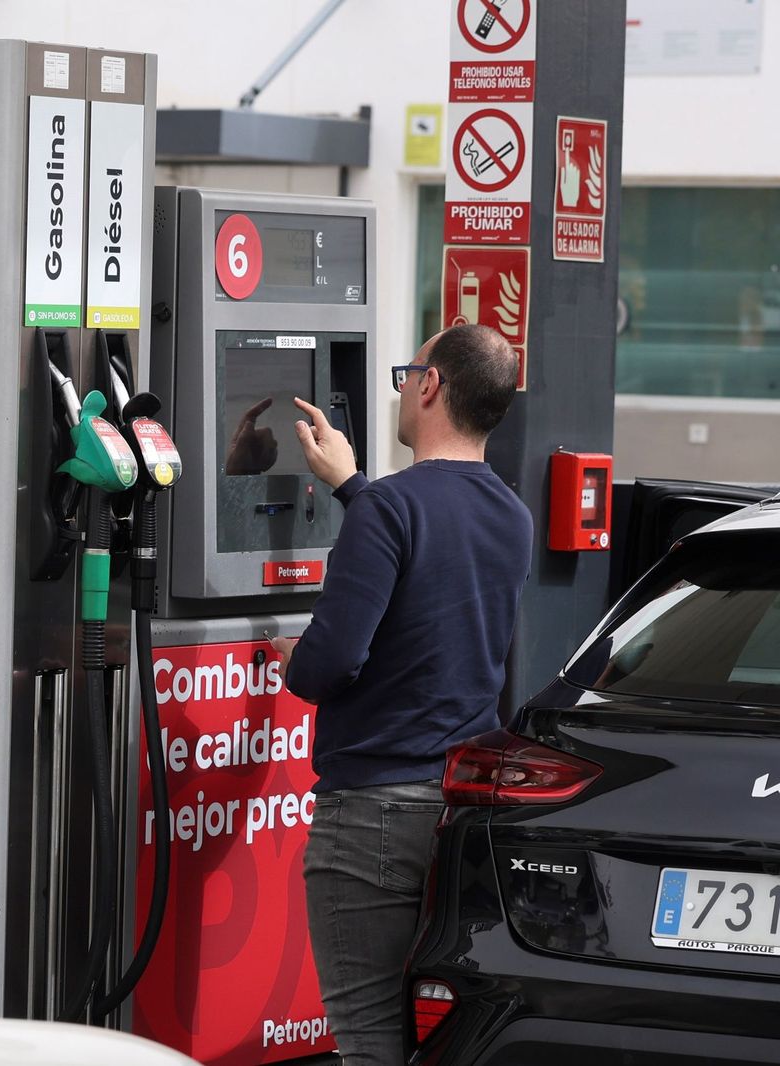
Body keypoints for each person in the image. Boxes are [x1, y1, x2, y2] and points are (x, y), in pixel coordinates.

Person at [269, 323, 532, 1065]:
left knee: (367, 1042)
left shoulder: (390, 510)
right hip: (455, 810)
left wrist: (295, 660)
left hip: (371, 815)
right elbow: (439, 597)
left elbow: (329, 665)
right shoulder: (511, 515)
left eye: (406, 372)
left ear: (431, 385)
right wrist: (352, 486)